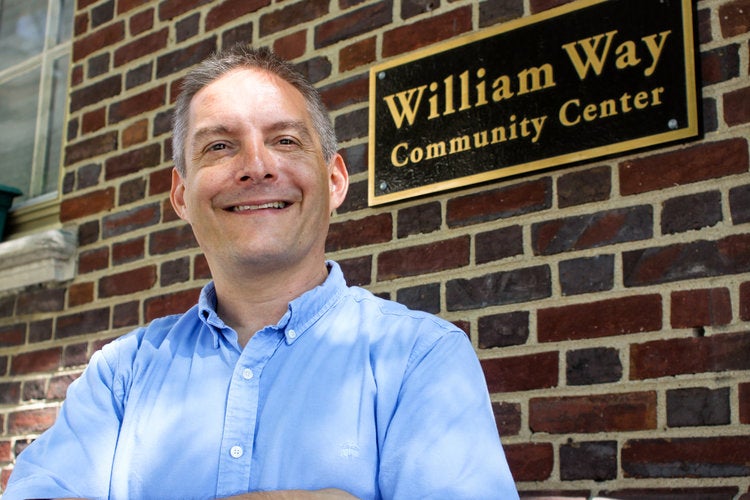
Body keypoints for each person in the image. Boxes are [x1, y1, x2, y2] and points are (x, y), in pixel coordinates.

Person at [4, 45, 518, 499]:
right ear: (182, 196)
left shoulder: (420, 359)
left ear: (335, 180)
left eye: (287, 141)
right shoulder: (120, 375)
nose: (256, 166)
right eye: (220, 146)